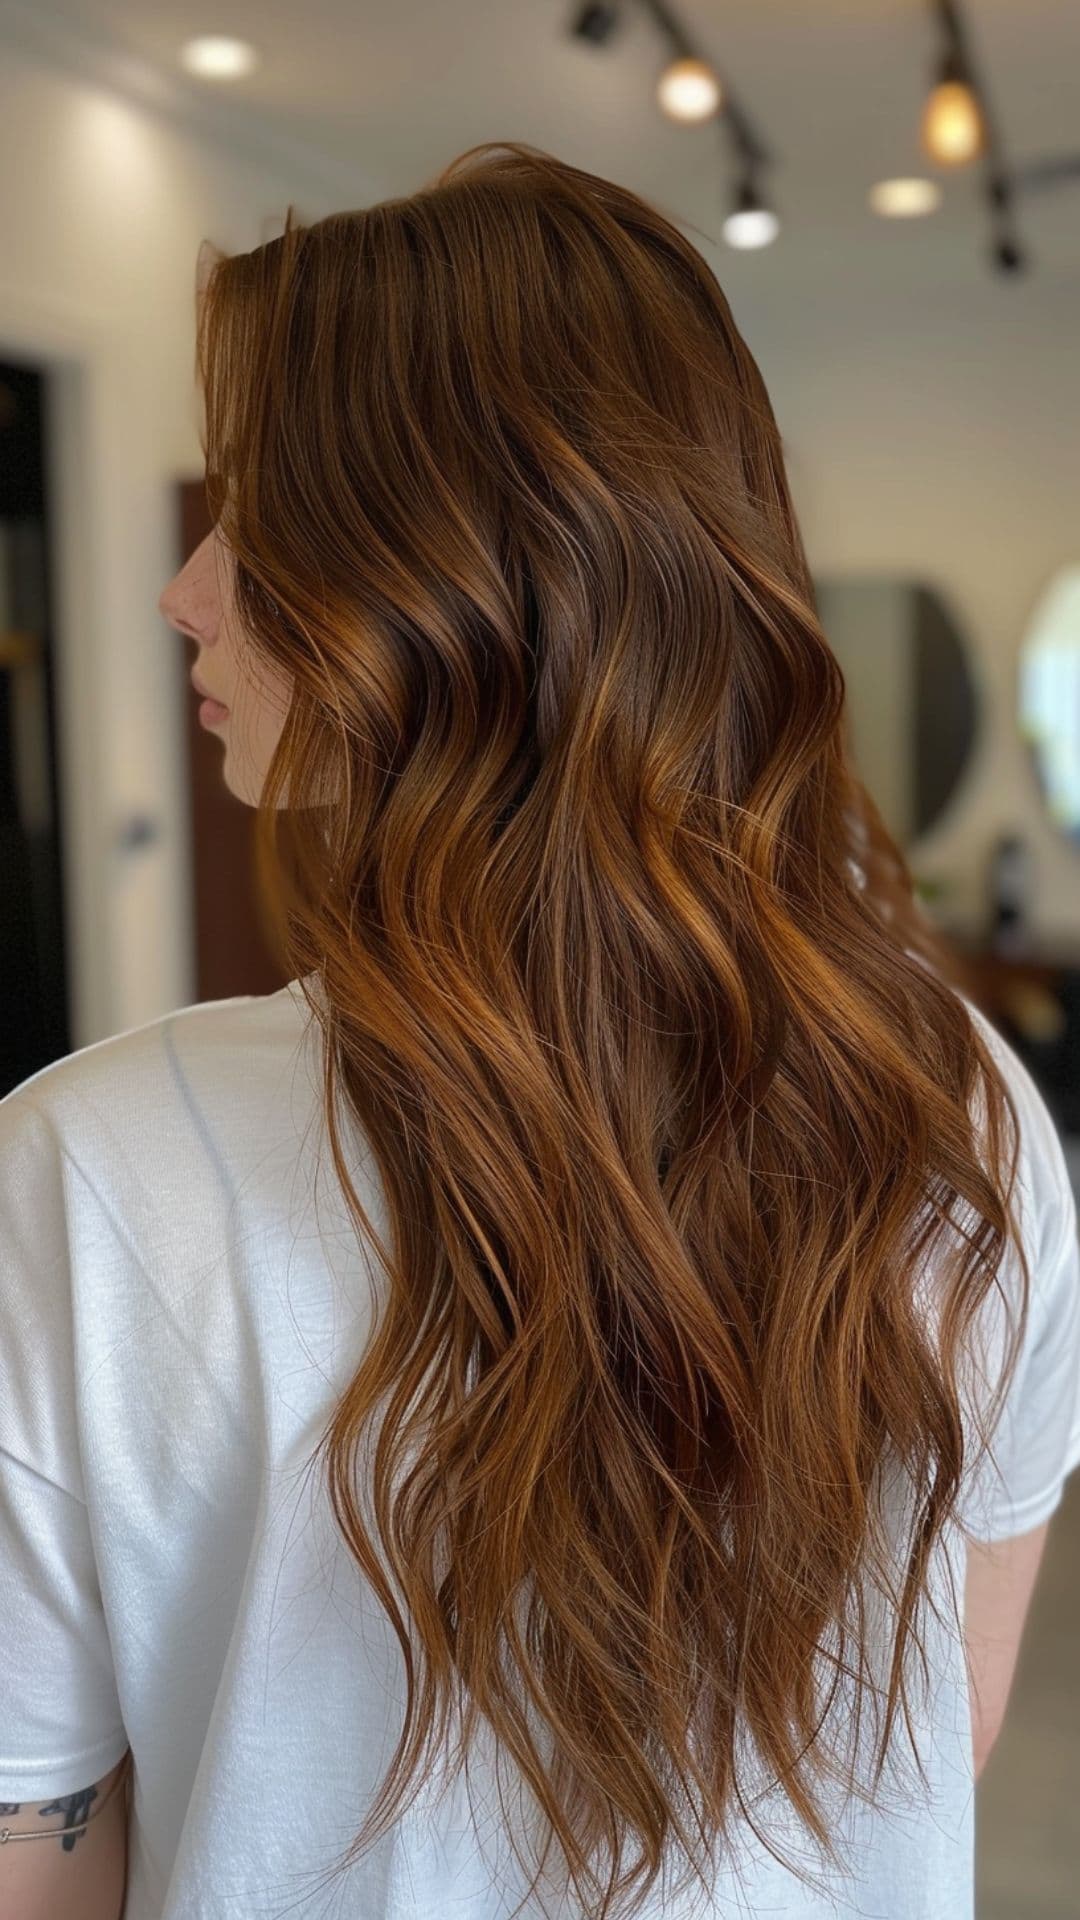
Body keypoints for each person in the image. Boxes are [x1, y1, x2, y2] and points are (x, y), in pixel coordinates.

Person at [0, 141, 1077, 1920]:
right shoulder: (960, 1113)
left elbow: (36, 1854)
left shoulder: (92, 1171)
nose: (187, 591)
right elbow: (930, 1736)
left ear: (465, 583)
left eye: (257, 511)